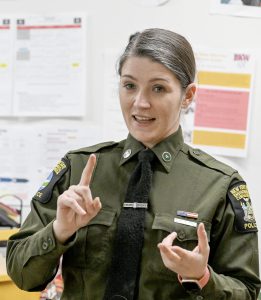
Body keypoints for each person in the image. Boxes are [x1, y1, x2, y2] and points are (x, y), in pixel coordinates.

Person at [6, 28, 260, 299]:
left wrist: (202, 277)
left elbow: (248, 291)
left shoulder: (219, 185)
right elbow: (22, 275)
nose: (140, 103)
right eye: (129, 86)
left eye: (158, 88)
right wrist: (59, 231)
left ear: (187, 96)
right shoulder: (77, 169)